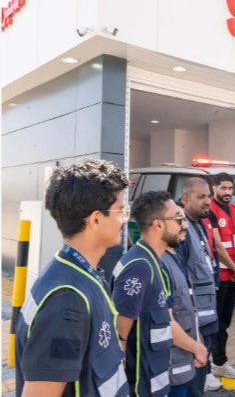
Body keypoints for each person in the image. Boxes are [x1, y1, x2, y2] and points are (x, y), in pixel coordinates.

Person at [16, 159, 130, 397]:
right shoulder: (67, 299)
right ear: (96, 219)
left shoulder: (81, 274)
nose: (124, 219)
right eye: (120, 210)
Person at [112, 190, 177, 397]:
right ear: (158, 225)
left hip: (152, 381)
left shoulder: (152, 262)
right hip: (139, 387)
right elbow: (119, 335)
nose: (183, 224)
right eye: (177, 218)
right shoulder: (140, 267)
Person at [161, 202, 209, 396]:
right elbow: (166, 321)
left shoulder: (175, 256)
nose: (185, 225)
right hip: (172, 364)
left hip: (185, 356)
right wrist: (196, 347)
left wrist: (197, 338)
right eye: (179, 219)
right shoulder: (158, 263)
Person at [178, 177, 219, 396]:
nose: (207, 201)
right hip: (197, 323)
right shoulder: (182, 230)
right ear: (185, 198)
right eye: (201, 197)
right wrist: (193, 329)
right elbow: (182, 283)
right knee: (193, 382)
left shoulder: (199, 223)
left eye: (208, 196)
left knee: (200, 378)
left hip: (207, 316)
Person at [207, 173, 235, 381]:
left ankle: (219, 363)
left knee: (225, 323)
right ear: (214, 188)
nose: (228, 192)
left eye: (230, 188)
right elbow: (218, 246)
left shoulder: (234, 209)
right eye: (223, 188)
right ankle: (212, 364)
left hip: (232, 275)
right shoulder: (211, 210)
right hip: (220, 276)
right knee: (215, 324)